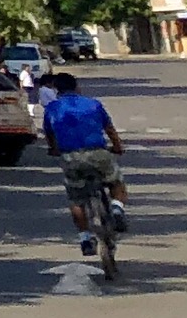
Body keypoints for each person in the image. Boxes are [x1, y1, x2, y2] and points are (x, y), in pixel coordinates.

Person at [44, 70, 126, 259]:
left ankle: (85, 239)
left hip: (71, 157)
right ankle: (116, 208)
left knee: (76, 199)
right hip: (98, 153)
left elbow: (50, 134)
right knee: (116, 183)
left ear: (56, 90)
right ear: (77, 87)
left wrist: (54, 149)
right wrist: (117, 147)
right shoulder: (93, 104)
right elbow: (109, 129)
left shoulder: (52, 108)